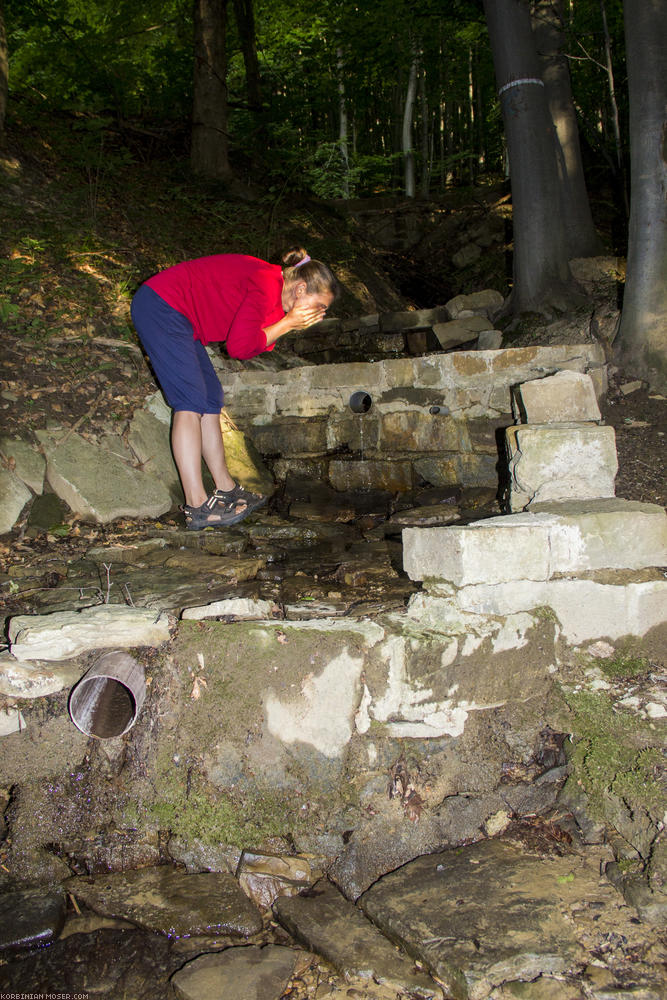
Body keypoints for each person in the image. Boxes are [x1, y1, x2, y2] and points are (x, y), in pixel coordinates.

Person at [131, 248, 338, 529]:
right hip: (162, 306)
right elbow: (239, 348)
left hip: (182, 318)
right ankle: (196, 505)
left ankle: (225, 488)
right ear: (301, 288)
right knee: (190, 401)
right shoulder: (266, 285)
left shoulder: (276, 292)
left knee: (210, 398)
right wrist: (288, 323)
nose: (318, 313)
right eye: (318, 305)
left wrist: (286, 323)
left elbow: (255, 340)